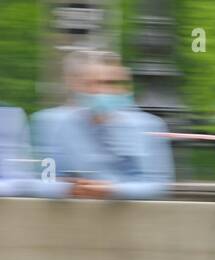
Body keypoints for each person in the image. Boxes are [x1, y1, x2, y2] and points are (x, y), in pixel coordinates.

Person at [29, 50, 173, 200]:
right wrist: (67, 188)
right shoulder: (50, 123)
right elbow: (42, 181)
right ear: (77, 86)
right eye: (98, 82)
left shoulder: (148, 126)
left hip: (131, 218)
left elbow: (157, 185)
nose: (108, 91)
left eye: (115, 83)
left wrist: (113, 190)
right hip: (70, 216)